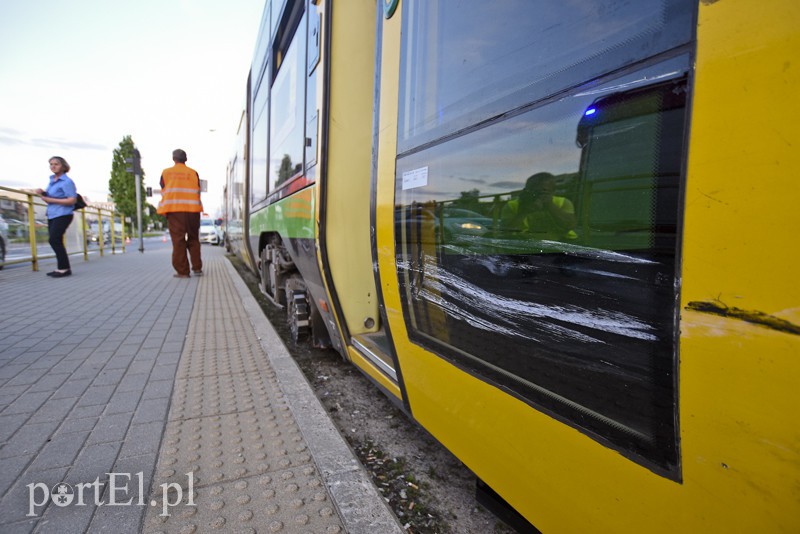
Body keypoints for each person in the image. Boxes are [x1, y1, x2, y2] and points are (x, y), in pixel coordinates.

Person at [157, 149, 203, 278]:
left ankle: (183, 271)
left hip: (175, 210)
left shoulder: (166, 173)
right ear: (185, 159)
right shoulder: (193, 173)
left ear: (174, 159)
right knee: (194, 239)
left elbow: (164, 189)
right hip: (193, 210)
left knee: (178, 241)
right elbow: (197, 190)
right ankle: (197, 268)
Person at [500, 172, 577, 241]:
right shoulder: (512, 205)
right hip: (525, 242)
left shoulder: (563, 202)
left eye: (543, 191)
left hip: (561, 241)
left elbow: (570, 226)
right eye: (533, 191)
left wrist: (550, 205)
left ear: (553, 191)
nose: (536, 195)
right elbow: (505, 233)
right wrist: (523, 212)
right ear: (525, 191)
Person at [35, 156, 77, 277]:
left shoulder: (67, 182)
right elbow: (52, 197)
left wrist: (50, 199)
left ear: (63, 166)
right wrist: (43, 193)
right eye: (51, 164)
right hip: (52, 214)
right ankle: (62, 268)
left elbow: (72, 200)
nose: (53, 166)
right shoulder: (52, 180)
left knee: (54, 239)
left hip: (63, 214)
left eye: (56, 164)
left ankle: (64, 268)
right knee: (55, 240)